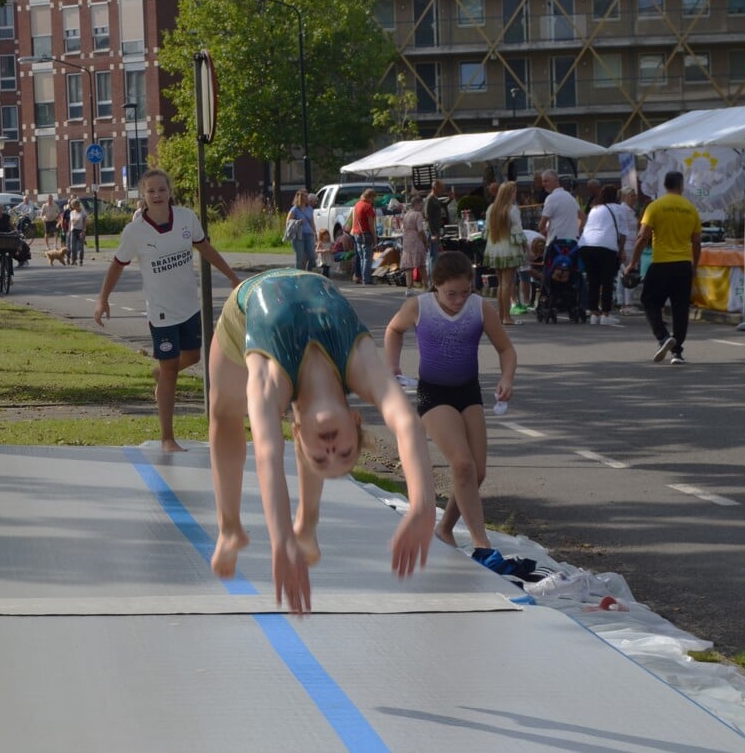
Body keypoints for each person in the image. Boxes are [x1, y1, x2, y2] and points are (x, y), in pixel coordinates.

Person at [208, 268, 436, 615]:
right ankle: (306, 522)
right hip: (307, 275)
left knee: (224, 414)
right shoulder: (358, 365)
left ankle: (231, 528)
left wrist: (282, 539)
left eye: (321, 458)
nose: (331, 452)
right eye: (345, 452)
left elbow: (268, 451)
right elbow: (405, 421)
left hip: (244, 308)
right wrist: (422, 504)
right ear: (355, 419)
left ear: (295, 437)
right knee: (283, 409)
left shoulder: (270, 379)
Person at [94, 169, 240, 453]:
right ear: (143, 196)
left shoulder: (186, 218)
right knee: (171, 368)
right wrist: (103, 299)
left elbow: (205, 248)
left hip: (188, 306)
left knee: (192, 357)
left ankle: (159, 374)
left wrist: (232, 276)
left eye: (162, 189)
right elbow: (116, 265)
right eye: (151, 191)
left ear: (169, 191)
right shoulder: (134, 231)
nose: (157, 195)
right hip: (160, 312)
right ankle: (167, 438)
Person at [385, 251, 515, 558]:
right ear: (435, 286)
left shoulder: (479, 308)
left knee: (477, 472)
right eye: (451, 294)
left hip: (468, 392)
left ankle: (445, 529)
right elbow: (393, 330)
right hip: (434, 394)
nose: (458, 300)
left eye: (464, 292)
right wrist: (392, 365)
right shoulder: (420, 306)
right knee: (462, 464)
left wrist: (507, 377)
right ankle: (482, 543)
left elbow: (506, 348)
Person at [624, 170, 701, 365]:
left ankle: (663, 336)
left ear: (664, 186)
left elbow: (642, 237)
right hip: (683, 264)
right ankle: (677, 353)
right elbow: (697, 241)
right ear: (681, 186)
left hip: (661, 263)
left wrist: (633, 263)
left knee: (649, 301)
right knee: (680, 308)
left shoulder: (655, 207)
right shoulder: (690, 208)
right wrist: (695, 265)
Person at [577, 184, 624, 326]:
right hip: (606, 246)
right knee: (607, 281)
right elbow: (623, 234)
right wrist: (621, 251)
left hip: (586, 245)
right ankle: (605, 314)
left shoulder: (594, 208)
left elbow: (584, 227)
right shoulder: (619, 209)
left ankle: (593, 314)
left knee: (593, 280)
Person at [482, 181, 527, 325]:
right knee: (508, 283)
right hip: (509, 248)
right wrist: (527, 247)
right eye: (514, 191)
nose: (515, 194)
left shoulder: (491, 209)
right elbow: (517, 232)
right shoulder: (512, 209)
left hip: (494, 247)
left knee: (501, 283)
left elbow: (486, 232)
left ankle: (501, 315)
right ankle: (507, 317)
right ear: (509, 193)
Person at [614, 186, 642, 315]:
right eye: (632, 196)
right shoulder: (623, 210)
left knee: (624, 275)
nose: (634, 198)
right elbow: (622, 230)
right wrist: (622, 249)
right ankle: (627, 304)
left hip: (632, 244)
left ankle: (622, 303)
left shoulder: (630, 210)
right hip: (628, 246)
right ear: (625, 197)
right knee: (630, 274)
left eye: (635, 195)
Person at [399, 194, 427, 297]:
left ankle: (409, 288)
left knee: (409, 266)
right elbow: (420, 230)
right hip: (416, 240)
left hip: (406, 240)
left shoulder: (406, 214)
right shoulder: (418, 214)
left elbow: (403, 227)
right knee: (421, 264)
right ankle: (427, 286)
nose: (422, 207)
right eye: (421, 205)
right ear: (416, 204)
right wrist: (425, 242)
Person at [349, 188, 379, 285]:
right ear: (369, 197)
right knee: (367, 258)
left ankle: (363, 277)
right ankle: (367, 279)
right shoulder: (367, 207)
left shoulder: (357, 205)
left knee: (361, 257)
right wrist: (375, 238)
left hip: (357, 233)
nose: (373, 200)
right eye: (373, 198)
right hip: (365, 234)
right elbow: (371, 225)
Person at [285, 189, 317, 272]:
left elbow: (311, 222)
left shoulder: (309, 208)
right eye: (305, 196)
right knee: (300, 258)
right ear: (300, 198)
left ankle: (309, 273)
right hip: (298, 236)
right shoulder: (294, 209)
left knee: (312, 257)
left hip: (309, 235)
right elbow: (288, 222)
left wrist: (315, 233)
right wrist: (298, 222)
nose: (307, 198)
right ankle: (298, 276)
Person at [423, 180, 450, 275]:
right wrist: (433, 233)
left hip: (435, 230)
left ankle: (432, 277)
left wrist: (449, 199)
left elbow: (441, 205)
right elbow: (427, 216)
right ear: (435, 188)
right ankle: (432, 278)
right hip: (432, 231)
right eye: (441, 188)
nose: (443, 190)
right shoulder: (430, 199)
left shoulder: (435, 198)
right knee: (433, 255)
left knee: (434, 255)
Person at [66, 198, 87, 265]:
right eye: (72, 206)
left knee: (80, 246)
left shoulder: (82, 212)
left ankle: (80, 260)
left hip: (80, 230)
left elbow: (84, 222)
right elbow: (70, 222)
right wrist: (69, 231)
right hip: (73, 230)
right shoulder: (72, 212)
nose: (72, 207)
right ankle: (73, 260)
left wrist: (83, 231)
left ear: (77, 205)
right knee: (72, 247)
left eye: (73, 206)